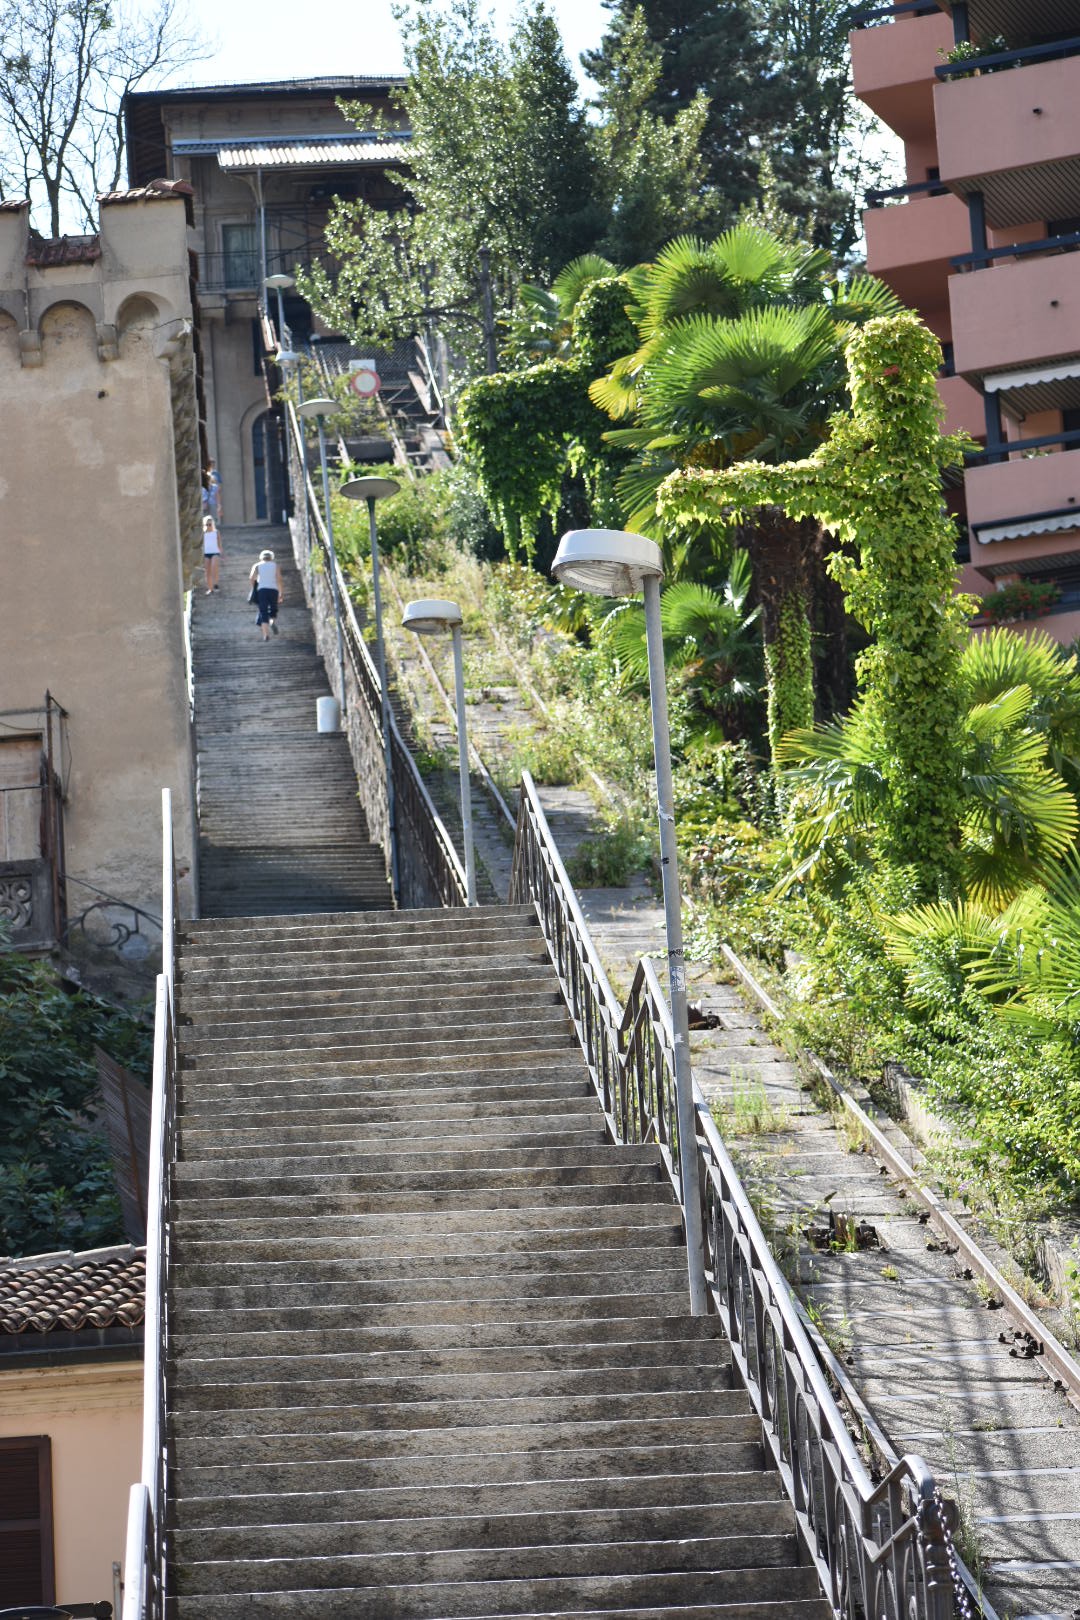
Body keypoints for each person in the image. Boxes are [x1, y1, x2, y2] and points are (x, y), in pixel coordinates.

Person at [249, 548, 283, 641]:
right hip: (273, 590)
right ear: (271, 557)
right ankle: (272, 621)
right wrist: (280, 592)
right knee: (273, 609)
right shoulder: (275, 566)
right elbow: (279, 579)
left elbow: (251, 577)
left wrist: (254, 587)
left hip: (262, 590)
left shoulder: (257, 565)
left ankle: (266, 635)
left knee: (263, 611)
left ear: (261, 557)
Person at [202, 514, 222, 594]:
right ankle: (210, 588)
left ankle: (215, 584)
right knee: (207, 571)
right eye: (206, 524)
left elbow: (219, 543)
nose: (208, 526)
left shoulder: (216, 532)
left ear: (212, 524)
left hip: (215, 552)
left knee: (214, 568)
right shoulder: (203, 533)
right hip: (206, 553)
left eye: (210, 524)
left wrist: (221, 552)